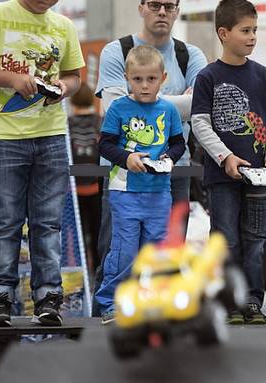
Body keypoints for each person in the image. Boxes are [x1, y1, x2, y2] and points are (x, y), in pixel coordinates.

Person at [93, 0, 207, 315]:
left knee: (165, 253)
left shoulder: (190, 55)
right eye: (155, 4)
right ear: (142, 7)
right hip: (122, 180)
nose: (162, 12)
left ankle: (158, 313)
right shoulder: (117, 51)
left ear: (177, 10)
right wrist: (174, 102)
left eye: (169, 6)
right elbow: (113, 106)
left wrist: (149, 103)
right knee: (118, 253)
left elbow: (197, 107)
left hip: (171, 177)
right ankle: (107, 312)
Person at [191, 0, 266, 326]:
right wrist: (226, 157)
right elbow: (200, 123)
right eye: (245, 31)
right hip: (222, 177)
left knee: (256, 241)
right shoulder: (208, 77)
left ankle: (253, 302)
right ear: (223, 32)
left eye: (255, 30)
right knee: (226, 239)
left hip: (259, 177)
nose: (253, 37)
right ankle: (227, 301)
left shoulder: (263, 77)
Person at [0, 0, 84, 327]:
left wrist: (64, 87)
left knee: (48, 222)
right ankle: (0, 296)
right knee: (6, 220)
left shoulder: (64, 25)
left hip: (52, 134)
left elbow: (75, 76)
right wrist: (11, 79)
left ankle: (48, 299)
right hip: (2, 135)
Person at [94, 45, 186, 324]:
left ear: (163, 78)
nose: (144, 86)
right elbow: (105, 145)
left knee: (156, 250)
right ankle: (111, 302)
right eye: (137, 79)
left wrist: (169, 158)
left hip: (159, 193)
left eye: (151, 79)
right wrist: (127, 158)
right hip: (125, 192)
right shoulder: (119, 108)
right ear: (127, 78)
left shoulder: (168, 110)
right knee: (124, 250)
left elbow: (178, 143)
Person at [68, 83, 102, 275]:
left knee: (76, 238)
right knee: (97, 234)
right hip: (97, 188)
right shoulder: (100, 122)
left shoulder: (67, 124)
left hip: (73, 191)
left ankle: (79, 276)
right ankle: (97, 274)